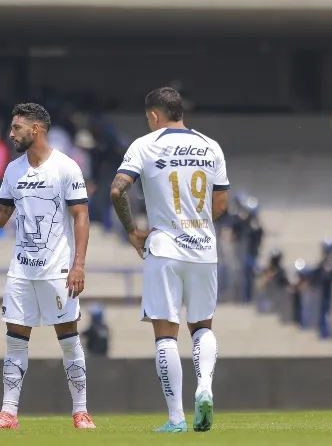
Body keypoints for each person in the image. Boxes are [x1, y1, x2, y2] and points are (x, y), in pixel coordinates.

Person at [0, 102, 95, 430]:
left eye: (16, 128)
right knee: (15, 339)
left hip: (57, 269)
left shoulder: (66, 167)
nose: (11, 134)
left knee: (68, 339)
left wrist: (79, 265)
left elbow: (81, 216)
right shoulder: (13, 169)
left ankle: (81, 412)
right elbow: (0, 216)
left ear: (36, 129)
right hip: (21, 270)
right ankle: (8, 413)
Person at [109, 87, 229, 433]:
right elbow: (221, 204)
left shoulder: (145, 144)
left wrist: (132, 231)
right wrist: (196, 222)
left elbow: (117, 189)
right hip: (203, 248)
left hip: (164, 247)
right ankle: (204, 387)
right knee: (202, 326)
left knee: (165, 335)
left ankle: (176, 418)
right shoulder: (210, 146)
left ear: (154, 115)